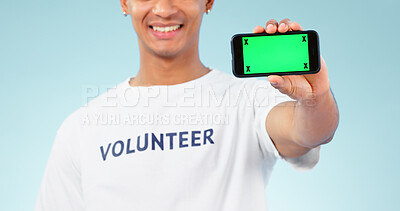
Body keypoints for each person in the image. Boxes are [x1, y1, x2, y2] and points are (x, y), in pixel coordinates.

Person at [35, 0, 339, 210]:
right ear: (124, 2)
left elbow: (309, 132)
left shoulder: (248, 102)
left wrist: (315, 98)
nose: (164, 9)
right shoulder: (80, 128)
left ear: (208, 1)